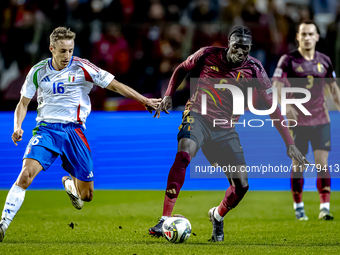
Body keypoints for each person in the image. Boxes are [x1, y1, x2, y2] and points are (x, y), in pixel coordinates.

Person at [0, 27, 161, 242]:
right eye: (63, 51)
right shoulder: (37, 71)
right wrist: (17, 126)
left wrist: (144, 100)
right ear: (51, 49)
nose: (67, 56)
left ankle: (70, 183)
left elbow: (115, 85)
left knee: (87, 196)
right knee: (26, 175)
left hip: (74, 132)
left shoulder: (82, 66)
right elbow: (23, 103)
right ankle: (3, 225)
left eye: (70, 50)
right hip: (46, 130)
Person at [149, 26, 308, 242]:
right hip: (198, 116)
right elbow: (181, 68)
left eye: (245, 48)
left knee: (241, 186)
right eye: (237, 46)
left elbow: (273, 109)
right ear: (228, 44)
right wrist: (168, 94)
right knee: (184, 155)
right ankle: (164, 218)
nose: (241, 51)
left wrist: (289, 143)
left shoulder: (255, 69)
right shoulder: (207, 54)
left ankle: (217, 215)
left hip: (225, 129)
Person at [273, 20, 340, 221]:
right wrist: (286, 105)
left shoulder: (325, 61)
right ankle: (298, 205)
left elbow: (334, 90)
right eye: (303, 34)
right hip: (298, 122)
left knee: (322, 163)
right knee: (298, 165)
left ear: (317, 37)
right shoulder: (288, 60)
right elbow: (276, 85)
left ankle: (324, 207)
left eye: (311, 34)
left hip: (321, 119)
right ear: (298, 37)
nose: (307, 38)